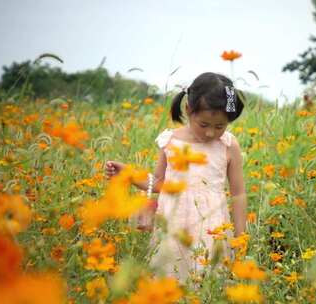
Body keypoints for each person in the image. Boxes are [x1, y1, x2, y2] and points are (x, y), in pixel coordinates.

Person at [105, 72, 247, 282]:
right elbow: (160, 183)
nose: (210, 133)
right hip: (172, 225)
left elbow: (239, 194)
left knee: (207, 280)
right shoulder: (170, 141)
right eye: (204, 125)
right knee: (169, 279)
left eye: (220, 126)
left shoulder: (228, 144)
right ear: (188, 110)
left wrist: (240, 238)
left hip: (212, 227)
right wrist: (130, 175)